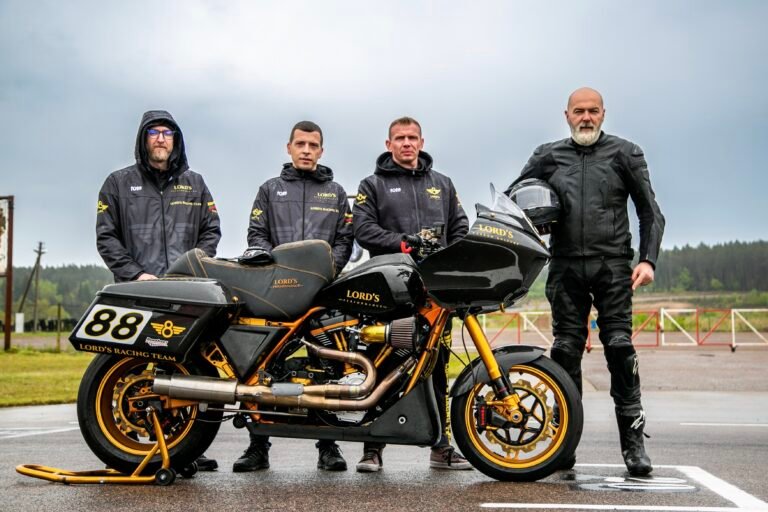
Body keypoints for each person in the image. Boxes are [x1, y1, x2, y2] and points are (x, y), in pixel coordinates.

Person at [506, 87, 665, 476]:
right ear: (567, 115)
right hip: (564, 267)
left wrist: (648, 261)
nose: (586, 117)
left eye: (593, 111)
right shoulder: (548, 155)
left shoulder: (625, 153)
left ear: (604, 114)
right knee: (565, 352)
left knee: (619, 349)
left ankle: (633, 447)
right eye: (579, 111)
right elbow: (515, 198)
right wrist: (533, 226)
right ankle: (564, 448)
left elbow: (650, 212)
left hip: (612, 266)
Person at [96, 109, 221, 470]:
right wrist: (136, 275)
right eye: (154, 132)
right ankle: (125, 449)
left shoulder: (195, 183)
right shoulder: (117, 183)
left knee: (192, 372)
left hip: (186, 293)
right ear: (143, 139)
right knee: (134, 373)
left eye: (168, 132)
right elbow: (107, 236)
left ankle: (187, 450)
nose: (161, 138)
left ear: (176, 140)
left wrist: (192, 270)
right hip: (138, 292)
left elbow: (211, 231)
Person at [352, 116, 472, 472]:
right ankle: (371, 449)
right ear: (388, 144)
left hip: (434, 293)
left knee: (434, 369)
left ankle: (441, 447)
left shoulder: (444, 184)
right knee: (381, 363)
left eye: (412, 138)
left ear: (422, 141)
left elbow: (460, 227)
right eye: (399, 138)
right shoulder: (371, 184)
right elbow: (363, 230)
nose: (407, 143)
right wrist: (403, 244)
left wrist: (448, 259)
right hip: (387, 289)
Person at [236, 120, 353, 472]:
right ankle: (258, 446)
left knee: (330, 368)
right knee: (259, 368)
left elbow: (345, 241)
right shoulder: (269, 190)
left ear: (321, 150)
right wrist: (273, 273)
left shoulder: (336, 192)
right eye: (300, 144)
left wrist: (328, 270)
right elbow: (256, 235)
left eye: (312, 145)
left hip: (322, 296)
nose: (306, 150)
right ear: (289, 148)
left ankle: (329, 446)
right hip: (276, 296)